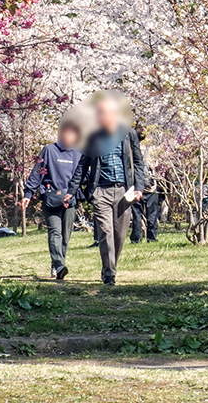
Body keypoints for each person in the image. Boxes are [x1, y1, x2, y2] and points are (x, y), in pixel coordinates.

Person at [69, 93, 147, 285]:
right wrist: (72, 190)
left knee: (120, 234)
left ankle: (112, 266)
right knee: (105, 232)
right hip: (100, 191)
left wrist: (139, 187)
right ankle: (109, 273)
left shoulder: (128, 134)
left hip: (124, 191)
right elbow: (82, 164)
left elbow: (138, 162)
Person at [23, 116, 84, 280]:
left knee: (66, 235)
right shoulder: (49, 151)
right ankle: (59, 266)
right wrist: (28, 193)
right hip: (51, 198)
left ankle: (58, 264)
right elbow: (37, 172)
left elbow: (82, 176)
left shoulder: (78, 154)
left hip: (70, 200)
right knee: (55, 232)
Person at [130, 126, 160, 244]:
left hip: (136, 186)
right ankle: (152, 238)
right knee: (152, 214)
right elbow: (157, 165)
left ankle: (136, 238)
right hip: (150, 187)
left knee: (137, 214)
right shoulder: (152, 150)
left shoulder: (132, 148)